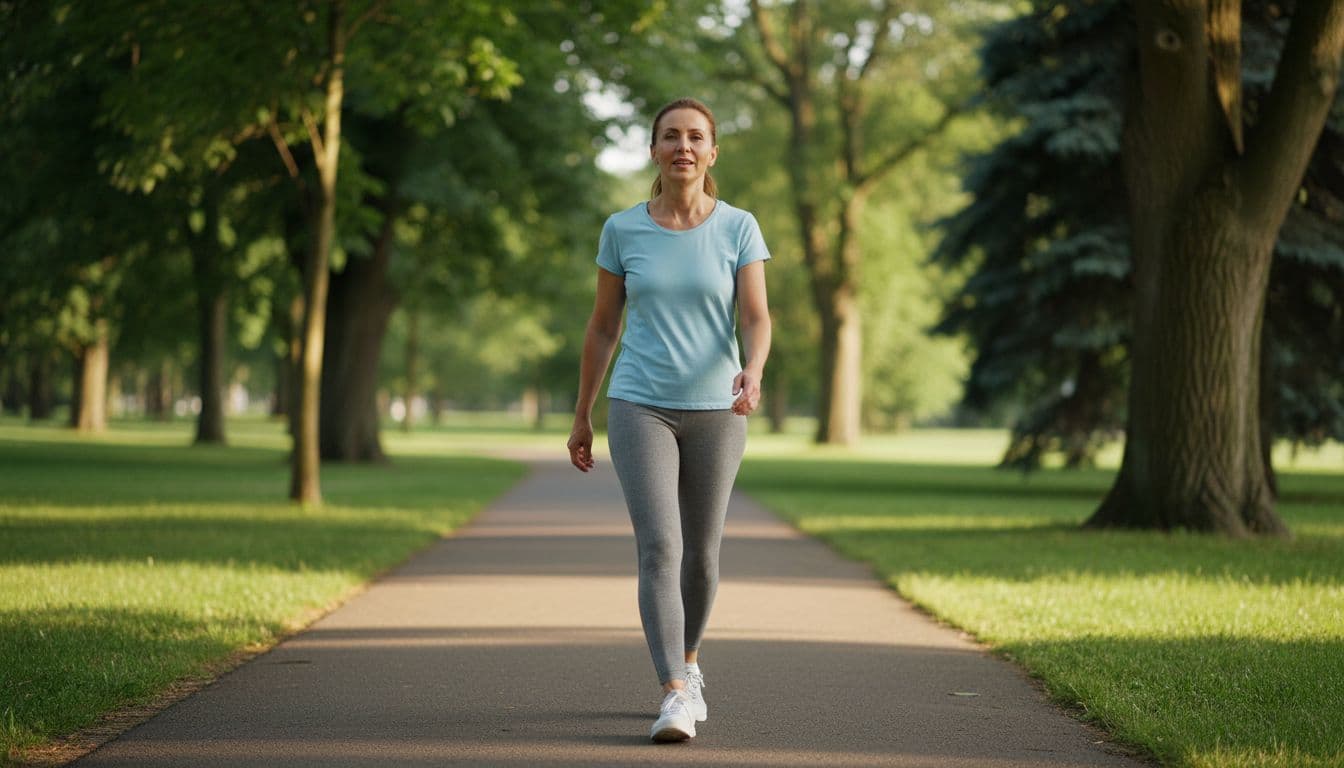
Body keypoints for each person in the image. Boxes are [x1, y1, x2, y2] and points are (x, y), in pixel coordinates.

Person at [566, 97, 772, 743]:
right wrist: (583, 414)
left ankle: (691, 661)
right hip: (639, 404)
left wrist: (754, 369)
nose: (683, 146)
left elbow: (756, 317)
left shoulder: (739, 225)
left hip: (718, 408)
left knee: (702, 557)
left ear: (712, 152)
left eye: (696, 137)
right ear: (654, 150)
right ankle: (674, 694)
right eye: (670, 136)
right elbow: (603, 328)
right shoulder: (623, 229)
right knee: (660, 547)